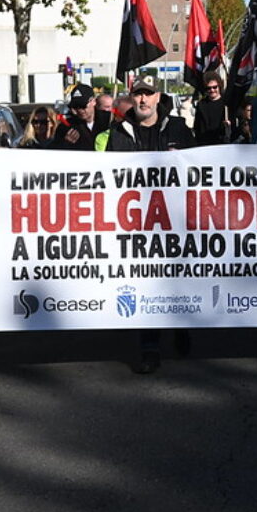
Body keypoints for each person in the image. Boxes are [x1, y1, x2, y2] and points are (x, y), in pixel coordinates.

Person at [106, 73, 195, 373]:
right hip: (138, 225)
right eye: (138, 94)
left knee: (177, 280)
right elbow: (107, 177)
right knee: (147, 282)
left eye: (148, 94)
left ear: (159, 97)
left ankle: (182, 326)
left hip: (176, 221)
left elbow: (199, 169)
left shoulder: (179, 128)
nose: (143, 99)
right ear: (132, 99)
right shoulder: (119, 132)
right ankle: (149, 347)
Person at [51, 84, 100, 150]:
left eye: (83, 106)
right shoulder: (66, 127)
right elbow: (54, 150)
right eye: (75, 106)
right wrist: (65, 143)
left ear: (94, 102)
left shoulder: (106, 122)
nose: (80, 110)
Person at [193, 71, 231, 145]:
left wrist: (229, 126)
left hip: (222, 143)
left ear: (219, 86)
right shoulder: (201, 104)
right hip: (205, 143)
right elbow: (197, 126)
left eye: (214, 87)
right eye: (209, 88)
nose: (212, 90)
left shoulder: (226, 103)